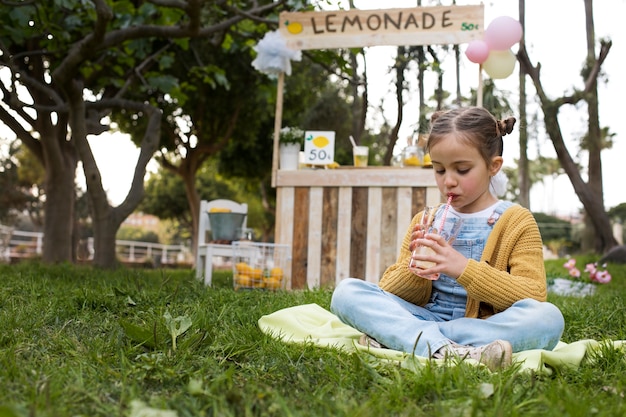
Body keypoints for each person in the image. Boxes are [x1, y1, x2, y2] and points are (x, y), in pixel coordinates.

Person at [330, 107, 565, 371]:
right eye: (439, 170)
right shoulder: (426, 219)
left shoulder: (516, 221)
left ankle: (405, 338)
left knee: (548, 318)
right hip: (423, 316)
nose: (448, 182)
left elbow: (534, 293)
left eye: (462, 170)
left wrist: (462, 269)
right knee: (347, 293)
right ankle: (458, 351)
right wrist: (415, 270)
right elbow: (390, 291)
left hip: (480, 326)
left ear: (493, 166)